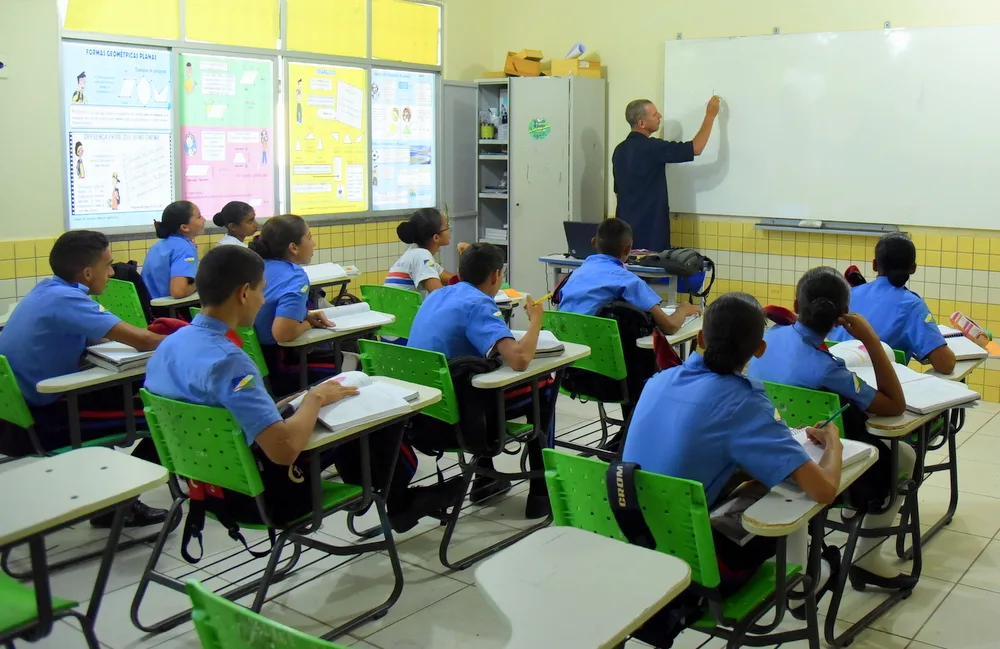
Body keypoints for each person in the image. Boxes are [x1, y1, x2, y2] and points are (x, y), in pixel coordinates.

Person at [144, 246, 450, 532]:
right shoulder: (230, 362)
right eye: (262, 290)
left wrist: (297, 400)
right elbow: (283, 451)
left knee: (327, 398)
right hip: (266, 496)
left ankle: (395, 501)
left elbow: (227, 415)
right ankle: (398, 503)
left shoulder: (171, 345)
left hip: (204, 487)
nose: (263, 300)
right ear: (244, 292)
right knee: (377, 418)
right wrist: (314, 399)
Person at [623, 292, 842, 621]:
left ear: (699, 338)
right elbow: (824, 490)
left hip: (631, 541)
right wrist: (835, 442)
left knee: (753, 482)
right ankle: (801, 586)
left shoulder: (660, 379)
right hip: (697, 567)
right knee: (788, 497)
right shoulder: (744, 401)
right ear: (759, 350)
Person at [747, 267, 917, 590]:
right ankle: (867, 557)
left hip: (774, 451)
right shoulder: (826, 369)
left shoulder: (767, 339)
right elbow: (895, 404)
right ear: (842, 317)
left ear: (796, 305)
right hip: (820, 463)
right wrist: (869, 338)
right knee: (904, 455)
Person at [0, 230, 168, 527]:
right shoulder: (67, 299)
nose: (114, 272)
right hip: (47, 420)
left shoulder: (47, 290)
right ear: (88, 273)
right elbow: (141, 340)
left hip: (17, 419)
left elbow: (92, 336)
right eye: (109, 266)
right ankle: (119, 504)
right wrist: (190, 336)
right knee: (163, 418)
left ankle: (109, 497)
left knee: (121, 396)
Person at [407, 243, 554, 518]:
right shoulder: (478, 303)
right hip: (459, 419)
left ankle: (486, 478)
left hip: (424, 415)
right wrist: (536, 321)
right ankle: (542, 492)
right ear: (496, 276)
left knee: (477, 383)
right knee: (544, 385)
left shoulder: (437, 296)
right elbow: (520, 359)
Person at [829, 233, 956, 375]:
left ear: (875, 265)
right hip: (875, 390)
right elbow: (946, 365)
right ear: (913, 268)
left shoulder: (849, 294)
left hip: (834, 383)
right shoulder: (911, 305)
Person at [612, 96, 720, 251]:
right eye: (655, 114)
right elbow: (696, 148)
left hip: (624, 231)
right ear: (641, 123)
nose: (660, 116)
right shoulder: (653, 148)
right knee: (652, 273)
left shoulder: (619, 150)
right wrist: (710, 116)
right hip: (650, 231)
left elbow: (618, 191)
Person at [557, 219, 700, 331]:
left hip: (571, 355)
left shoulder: (574, 275)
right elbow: (669, 326)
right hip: (605, 356)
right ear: (628, 248)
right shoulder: (629, 282)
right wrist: (684, 309)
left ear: (593, 242)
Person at [249, 215, 337, 396]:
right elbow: (283, 332)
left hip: (252, 367)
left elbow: (267, 310)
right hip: (280, 367)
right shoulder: (295, 276)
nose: (314, 243)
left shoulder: (256, 266)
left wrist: (304, 315)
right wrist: (308, 324)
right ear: (293, 247)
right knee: (349, 362)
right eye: (309, 237)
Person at [385, 208, 468, 298]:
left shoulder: (415, 253)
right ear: (436, 237)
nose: (450, 230)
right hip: (402, 312)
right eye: (447, 226)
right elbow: (440, 297)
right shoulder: (422, 255)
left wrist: (468, 256)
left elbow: (454, 281)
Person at [143, 200, 205, 300]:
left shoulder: (158, 246)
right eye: (199, 217)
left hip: (151, 309)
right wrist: (200, 282)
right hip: (170, 311)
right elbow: (178, 292)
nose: (204, 219)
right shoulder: (185, 248)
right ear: (184, 227)